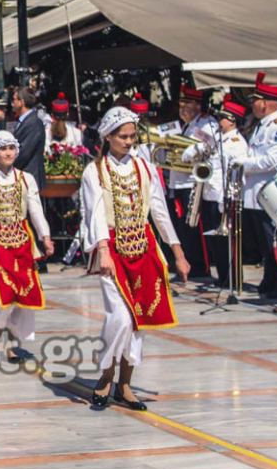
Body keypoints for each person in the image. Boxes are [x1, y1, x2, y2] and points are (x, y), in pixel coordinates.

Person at [82, 106, 189, 411]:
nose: (129, 142)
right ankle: (104, 376)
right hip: (112, 248)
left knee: (137, 320)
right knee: (120, 317)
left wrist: (177, 251)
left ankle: (125, 384)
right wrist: (103, 250)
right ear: (108, 137)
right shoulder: (96, 170)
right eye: (123, 137)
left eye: (132, 136)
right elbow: (96, 214)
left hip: (143, 247)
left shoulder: (145, 168)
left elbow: (159, 211)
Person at [0, 131, 54, 363]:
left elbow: (36, 209)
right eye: (3, 149)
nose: (8, 153)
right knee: (1, 296)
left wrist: (45, 236)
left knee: (21, 296)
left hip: (22, 243)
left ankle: (8, 345)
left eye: (11, 148)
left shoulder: (26, 179)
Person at [234, 73, 277, 298]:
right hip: (257, 194)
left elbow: (271, 160)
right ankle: (270, 281)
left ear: (265, 102)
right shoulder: (262, 125)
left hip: (273, 195)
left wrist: (243, 163)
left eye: (255, 100)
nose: (252, 104)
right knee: (265, 245)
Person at [180, 95, 249, 289]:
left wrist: (229, 199)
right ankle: (222, 277)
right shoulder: (217, 138)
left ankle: (233, 279)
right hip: (210, 194)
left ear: (232, 121)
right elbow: (195, 152)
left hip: (224, 197)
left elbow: (236, 173)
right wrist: (195, 149)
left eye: (223, 118)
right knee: (215, 242)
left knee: (229, 243)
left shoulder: (236, 142)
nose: (219, 121)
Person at [166, 85, 218, 279]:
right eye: (181, 103)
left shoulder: (205, 124)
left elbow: (210, 144)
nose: (182, 107)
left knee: (194, 227)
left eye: (186, 103)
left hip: (191, 182)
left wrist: (194, 150)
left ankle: (200, 265)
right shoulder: (187, 125)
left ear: (196, 105)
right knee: (183, 228)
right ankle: (189, 261)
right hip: (178, 181)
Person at [11, 87, 46, 190]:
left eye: (14, 99)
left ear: (21, 102)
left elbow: (24, 152)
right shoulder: (25, 121)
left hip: (29, 177)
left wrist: (6, 165)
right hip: (23, 177)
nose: (12, 103)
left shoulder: (33, 123)